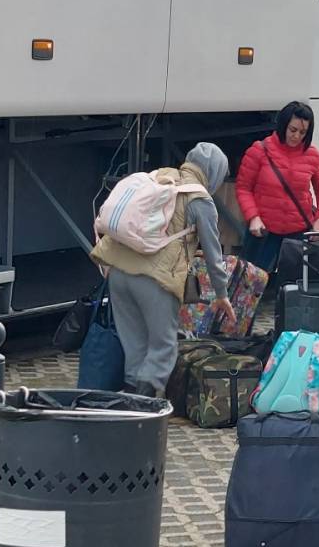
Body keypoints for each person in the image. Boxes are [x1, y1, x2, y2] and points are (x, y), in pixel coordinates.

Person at [91, 144, 236, 398]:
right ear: (214, 173)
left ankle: (129, 404)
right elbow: (214, 256)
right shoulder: (199, 199)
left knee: (135, 345)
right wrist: (222, 294)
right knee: (163, 347)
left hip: (119, 273)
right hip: (155, 282)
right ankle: (145, 408)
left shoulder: (161, 177)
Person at [236, 101, 319, 272]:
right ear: (283, 126)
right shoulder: (259, 150)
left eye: (303, 132)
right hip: (263, 232)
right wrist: (253, 217)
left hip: (298, 232)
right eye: (293, 130)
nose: (296, 136)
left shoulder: (313, 155)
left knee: (295, 286)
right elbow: (243, 188)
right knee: (250, 285)